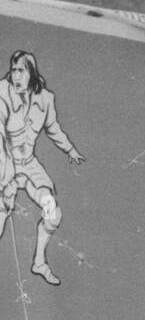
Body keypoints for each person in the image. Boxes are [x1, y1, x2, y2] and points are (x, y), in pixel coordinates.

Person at [0, 51, 85, 286]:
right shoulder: (2, 92)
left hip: (29, 165)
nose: (16, 75)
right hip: (4, 164)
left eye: (21, 70)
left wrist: (70, 150)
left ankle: (39, 262)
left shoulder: (45, 98)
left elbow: (53, 127)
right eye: (13, 69)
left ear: (31, 73)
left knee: (53, 213)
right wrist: (4, 174)